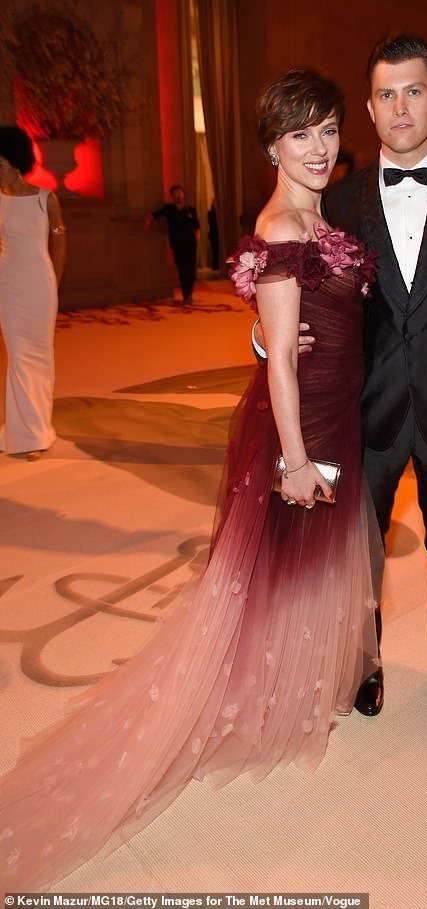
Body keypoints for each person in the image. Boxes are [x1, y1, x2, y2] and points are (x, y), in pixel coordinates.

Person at [0, 69, 379, 892]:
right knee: (279, 565)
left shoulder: (322, 214)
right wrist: (293, 457)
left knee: (306, 564)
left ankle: (293, 687)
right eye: (300, 133)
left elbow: (295, 331)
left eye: (327, 129)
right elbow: (280, 360)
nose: (318, 147)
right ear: (271, 144)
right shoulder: (281, 226)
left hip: (334, 408)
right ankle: (259, 695)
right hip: (305, 422)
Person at [257, 34, 427, 732]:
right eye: (384, 94)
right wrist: (263, 336)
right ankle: (365, 661)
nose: (399, 107)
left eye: (412, 91)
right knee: (359, 552)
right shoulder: (335, 199)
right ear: (370, 109)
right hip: (365, 412)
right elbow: (300, 296)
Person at [0, 125, 66, 460]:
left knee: (39, 356)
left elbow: (60, 241)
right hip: (8, 284)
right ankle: (24, 433)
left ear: (16, 162)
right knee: (18, 355)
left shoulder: (46, 199)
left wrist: (55, 281)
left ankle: (36, 431)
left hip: (40, 283)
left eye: (0, 163)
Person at [145, 184, 200, 303]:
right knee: (182, 268)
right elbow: (156, 214)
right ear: (172, 196)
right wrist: (148, 219)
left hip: (190, 242)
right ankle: (186, 295)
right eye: (175, 193)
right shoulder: (168, 208)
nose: (178, 195)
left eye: (180, 192)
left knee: (191, 268)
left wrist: (197, 239)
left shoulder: (190, 209)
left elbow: (197, 227)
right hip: (177, 243)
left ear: (183, 194)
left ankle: (189, 293)